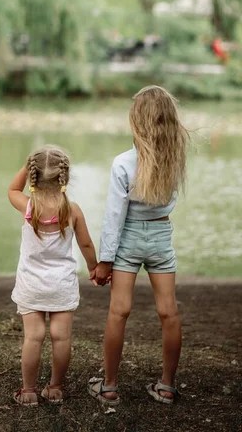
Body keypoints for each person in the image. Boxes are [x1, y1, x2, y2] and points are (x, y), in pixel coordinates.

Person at [88, 86, 189, 406]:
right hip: (160, 237)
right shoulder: (174, 159)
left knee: (118, 311)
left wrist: (104, 261)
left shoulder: (123, 163)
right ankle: (167, 387)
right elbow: (169, 203)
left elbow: (113, 217)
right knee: (168, 312)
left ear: (137, 122)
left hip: (128, 240)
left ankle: (110, 387)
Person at [9, 145, 98, 406]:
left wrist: (28, 166)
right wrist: (94, 267)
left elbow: (12, 190)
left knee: (33, 337)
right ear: (65, 177)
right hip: (62, 285)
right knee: (61, 337)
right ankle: (56, 387)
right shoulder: (72, 210)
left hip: (31, 284)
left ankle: (28, 391)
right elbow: (86, 245)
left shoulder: (28, 207)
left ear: (33, 175)